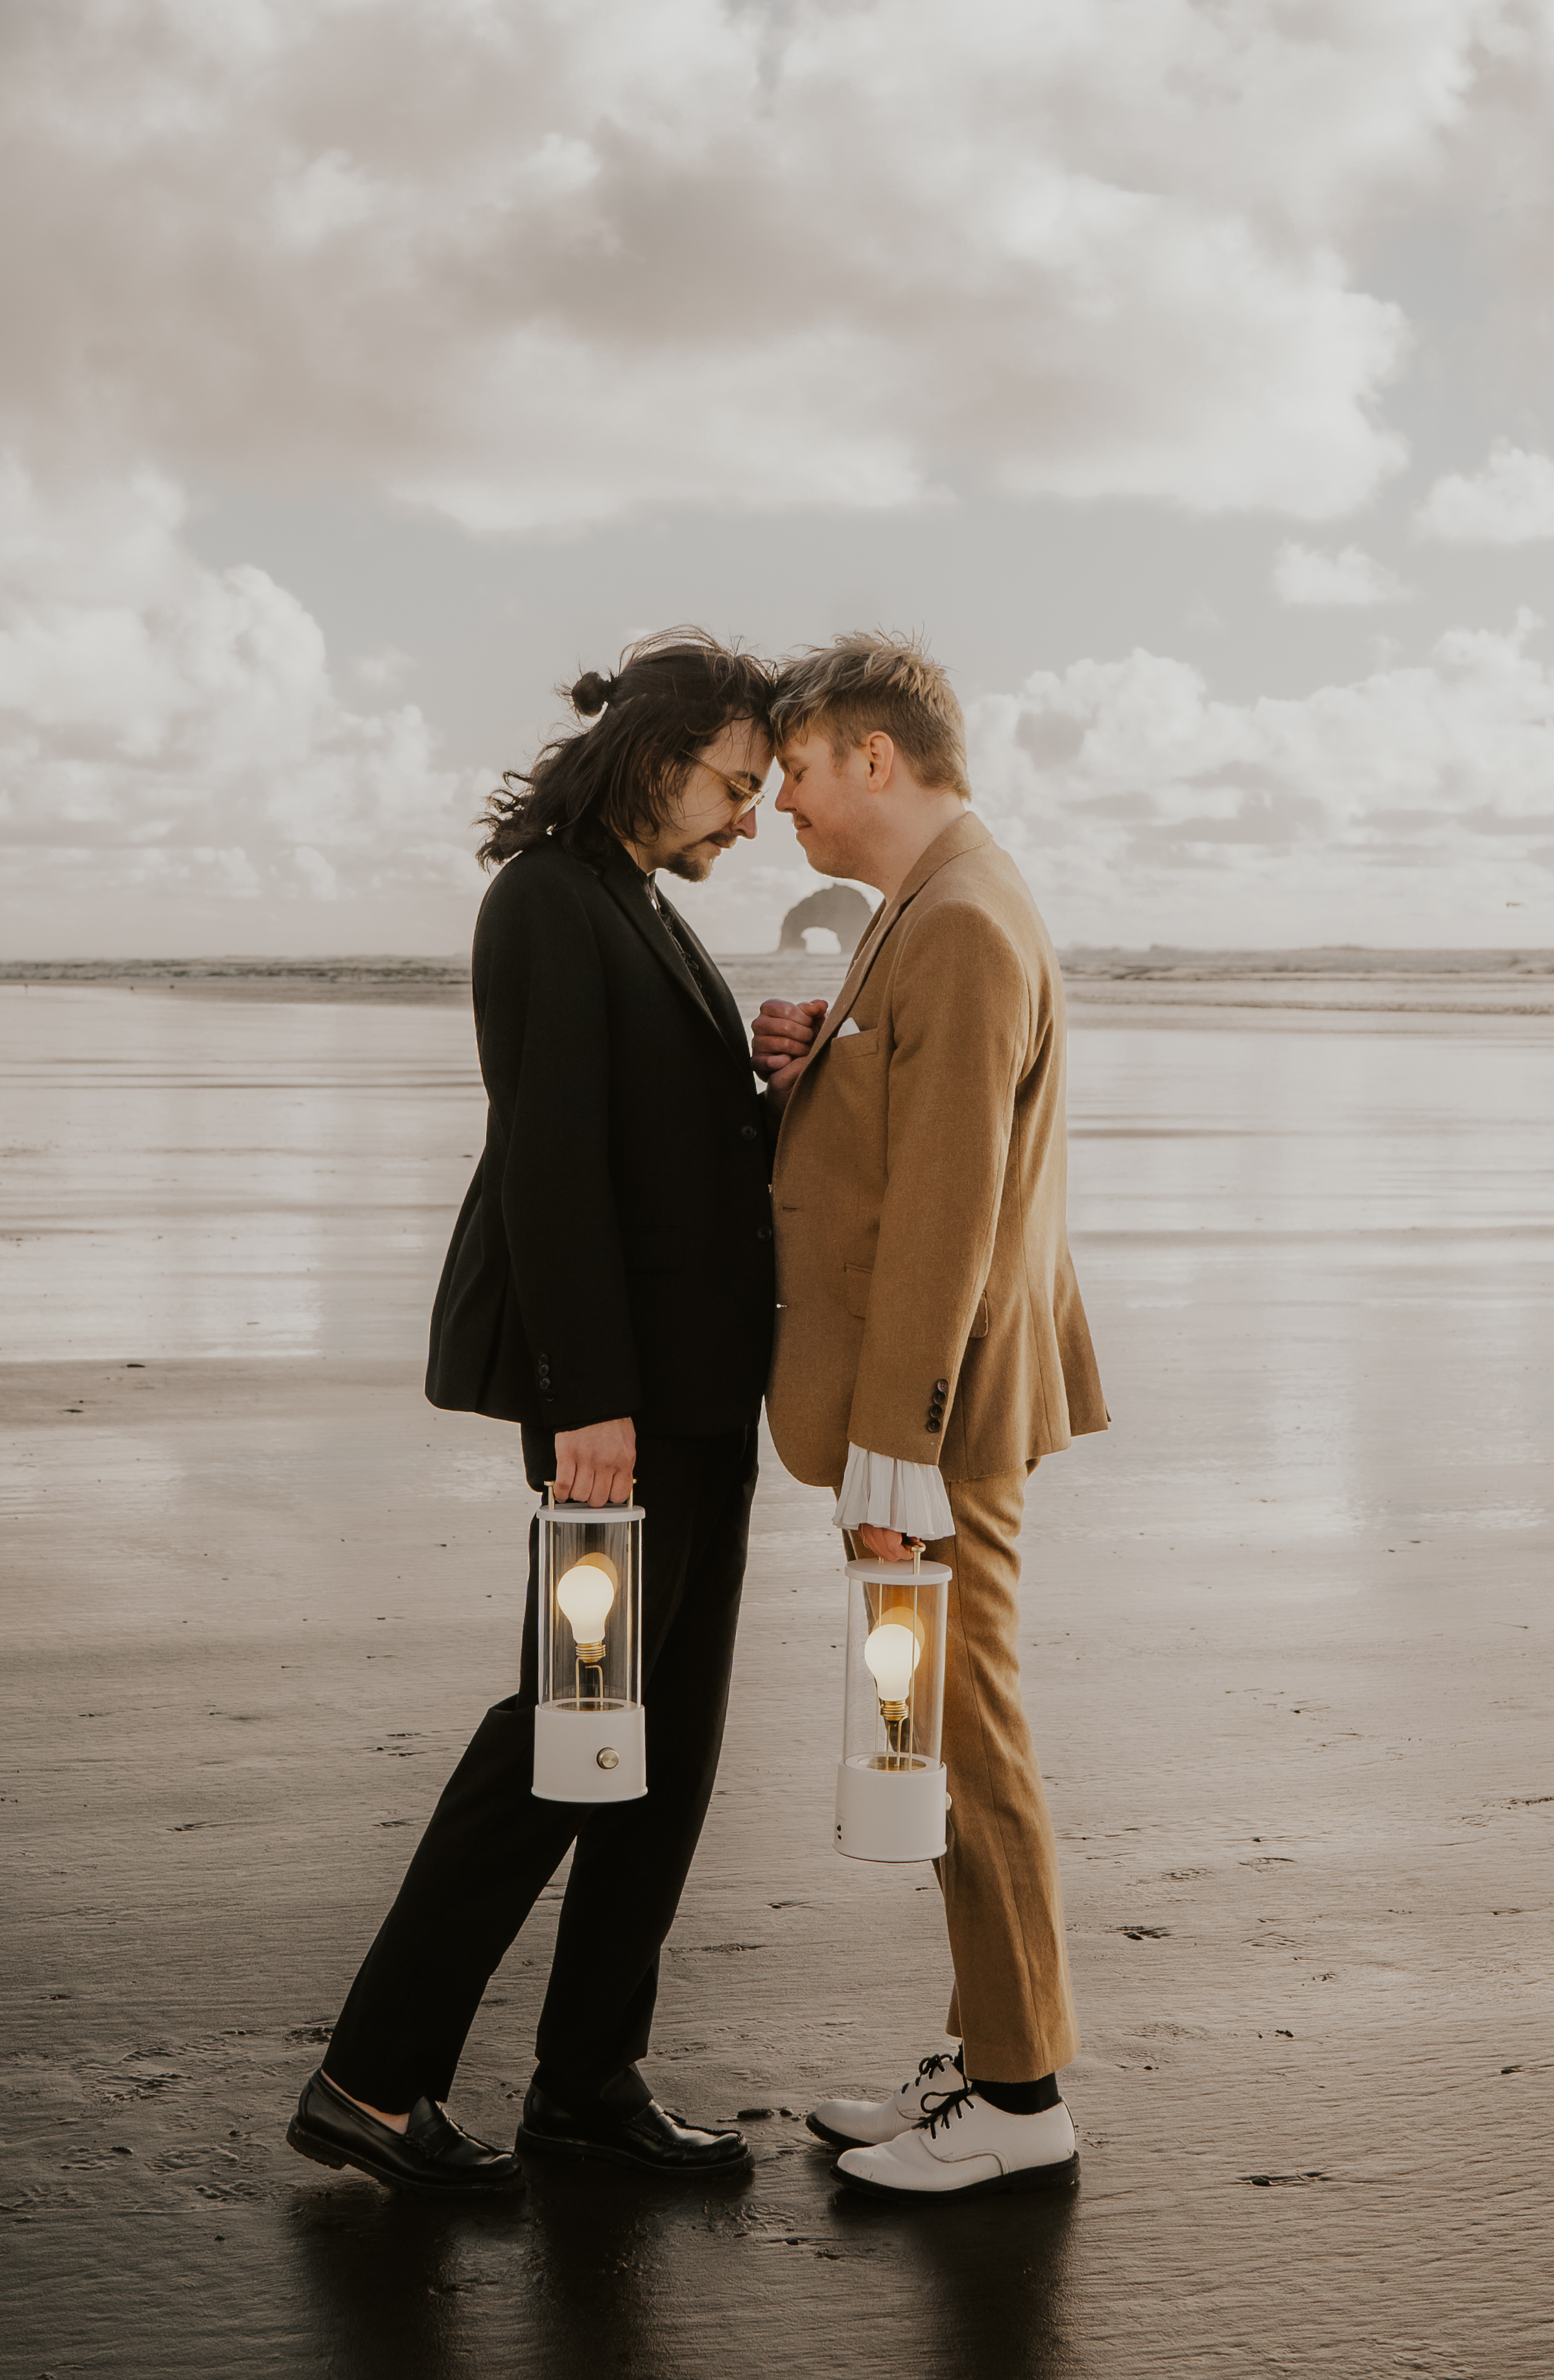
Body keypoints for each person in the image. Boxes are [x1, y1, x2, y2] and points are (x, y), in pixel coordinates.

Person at [290, 630, 781, 2193]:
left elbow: (672, 1147)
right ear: (656, 752)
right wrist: (589, 1405)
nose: (749, 819)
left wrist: (777, 1073)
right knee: (566, 1736)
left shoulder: (636, 903)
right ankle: (370, 2083)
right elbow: (557, 1163)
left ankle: (589, 2083)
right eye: (734, 783)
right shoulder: (545, 903)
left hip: (698, 1398)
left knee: (670, 1743)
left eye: (762, 792)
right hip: (616, 1411)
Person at [750, 633, 1107, 2199]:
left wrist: (894, 1445)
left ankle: (1024, 2095)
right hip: (941, 1400)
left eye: (798, 773)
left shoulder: (959, 920)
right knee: (956, 1727)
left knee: (970, 1737)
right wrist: (808, 1073)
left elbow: (953, 1207)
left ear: (871, 758)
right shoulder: (935, 905)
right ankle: (982, 2049)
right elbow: (906, 1136)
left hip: (941, 1414)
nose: (782, 809)